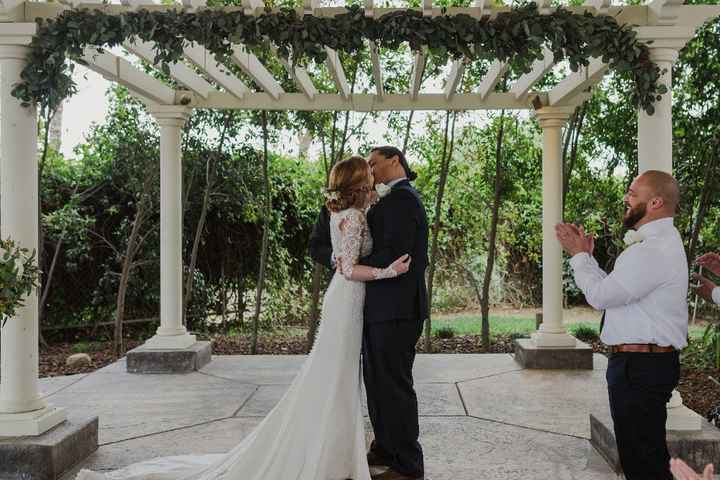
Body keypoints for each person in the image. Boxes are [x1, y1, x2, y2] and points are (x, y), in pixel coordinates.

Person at [76, 156, 411, 480]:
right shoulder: (351, 217)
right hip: (347, 297)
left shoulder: (351, 211)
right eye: (366, 174)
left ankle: (334, 449)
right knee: (337, 374)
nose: (372, 177)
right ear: (358, 183)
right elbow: (347, 266)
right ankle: (328, 452)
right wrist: (388, 270)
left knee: (337, 375)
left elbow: (345, 258)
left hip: (347, 298)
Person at [556, 170, 687, 480]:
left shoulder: (652, 250)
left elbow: (600, 297)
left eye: (632, 193)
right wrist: (588, 258)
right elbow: (618, 293)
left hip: (640, 367)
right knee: (644, 456)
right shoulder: (663, 241)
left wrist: (577, 256)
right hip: (645, 364)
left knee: (644, 462)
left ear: (655, 202)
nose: (626, 199)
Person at [355, 146, 429, 480]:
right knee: (377, 381)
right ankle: (385, 446)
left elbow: (392, 254)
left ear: (395, 161)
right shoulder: (389, 200)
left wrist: (351, 265)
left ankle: (408, 465)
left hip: (397, 309)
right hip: (380, 308)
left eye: (374, 163)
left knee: (395, 385)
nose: (370, 170)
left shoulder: (403, 200)